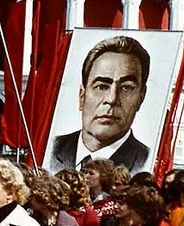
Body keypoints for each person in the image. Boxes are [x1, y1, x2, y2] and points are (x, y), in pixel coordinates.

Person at [49, 36, 152, 174]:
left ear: (141, 97)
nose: (112, 99)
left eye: (126, 88)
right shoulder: (52, 148)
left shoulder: (146, 161)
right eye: (101, 86)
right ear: (82, 96)